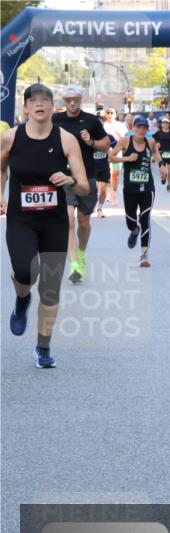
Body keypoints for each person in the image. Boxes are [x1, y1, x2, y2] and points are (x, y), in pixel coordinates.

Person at [1, 83, 89, 368]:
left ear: (53, 107)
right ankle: (22, 299)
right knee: (25, 272)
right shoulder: (10, 138)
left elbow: (85, 186)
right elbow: (1, 167)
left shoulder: (66, 140)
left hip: (54, 222)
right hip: (21, 220)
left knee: (50, 288)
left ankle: (43, 347)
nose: (39, 105)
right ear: (25, 108)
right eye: (33, 101)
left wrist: (71, 181)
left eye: (45, 100)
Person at [52, 85, 110, 284]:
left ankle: (82, 254)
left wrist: (91, 142)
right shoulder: (55, 120)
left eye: (75, 99)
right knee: (68, 220)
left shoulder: (91, 120)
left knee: (83, 223)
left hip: (87, 177)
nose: (72, 103)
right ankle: (74, 264)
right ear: (64, 101)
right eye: (68, 100)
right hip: (63, 176)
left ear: (80, 99)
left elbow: (106, 144)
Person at [109, 115, 160, 267]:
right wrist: (126, 159)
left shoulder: (150, 141)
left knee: (145, 219)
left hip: (147, 188)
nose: (142, 130)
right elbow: (111, 157)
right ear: (133, 128)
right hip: (130, 189)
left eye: (144, 128)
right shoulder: (125, 141)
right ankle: (134, 230)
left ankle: (144, 255)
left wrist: (162, 165)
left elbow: (156, 154)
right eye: (139, 127)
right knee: (131, 221)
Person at [102, 108, 128, 207]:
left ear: (115, 114)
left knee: (115, 174)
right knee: (108, 174)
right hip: (106, 152)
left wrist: (118, 133)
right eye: (107, 113)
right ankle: (112, 195)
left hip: (117, 152)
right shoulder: (102, 125)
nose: (109, 114)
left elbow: (125, 139)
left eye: (111, 113)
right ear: (105, 114)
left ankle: (113, 193)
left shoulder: (120, 125)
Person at [152, 117, 170, 192]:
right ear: (162, 125)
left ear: (168, 124)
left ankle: (169, 185)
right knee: (163, 171)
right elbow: (152, 141)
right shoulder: (158, 133)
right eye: (163, 123)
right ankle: (163, 177)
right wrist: (156, 143)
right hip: (161, 154)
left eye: (166, 123)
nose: (165, 125)